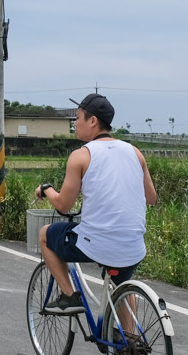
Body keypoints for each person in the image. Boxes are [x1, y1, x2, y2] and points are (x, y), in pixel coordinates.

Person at [35, 93, 158, 313]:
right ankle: (129, 343)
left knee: (45, 234)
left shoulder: (81, 156)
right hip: (134, 245)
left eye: (78, 117)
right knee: (120, 285)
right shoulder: (135, 153)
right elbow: (151, 198)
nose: (75, 123)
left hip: (97, 245)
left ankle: (70, 296)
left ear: (92, 121)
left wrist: (47, 189)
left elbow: (63, 205)